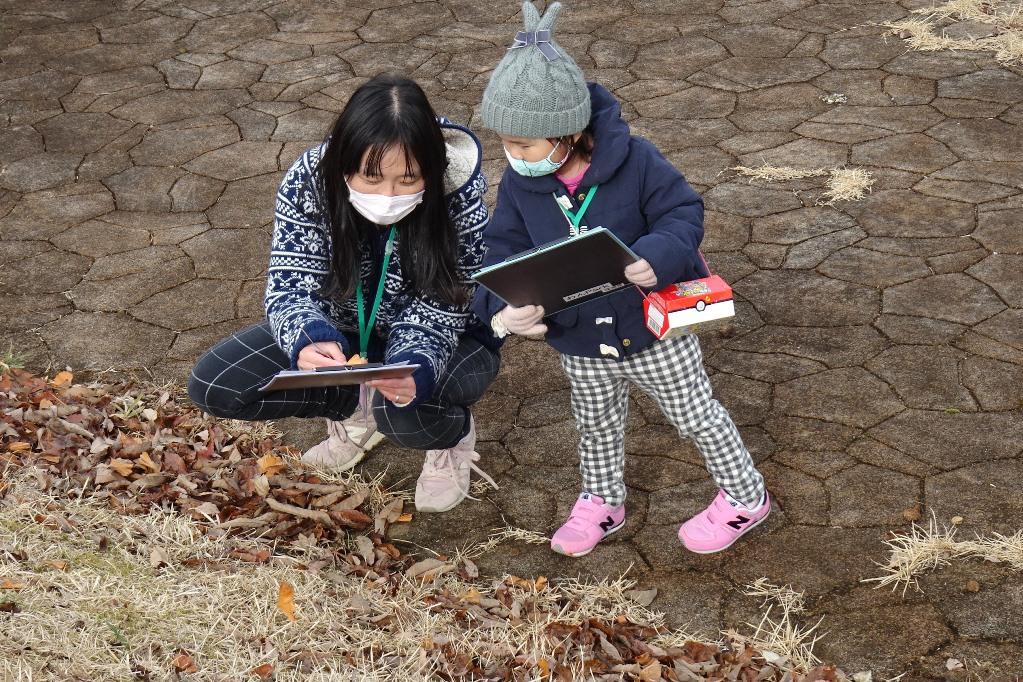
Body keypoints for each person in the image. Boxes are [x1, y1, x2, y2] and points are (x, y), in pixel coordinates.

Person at [473, 1, 771, 556]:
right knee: (595, 421)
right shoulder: (520, 184)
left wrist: (655, 256)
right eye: (506, 144)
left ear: (568, 132)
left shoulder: (637, 161)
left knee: (695, 414)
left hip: (653, 325)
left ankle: (745, 496)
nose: (513, 156)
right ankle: (602, 499)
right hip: (578, 334)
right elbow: (502, 246)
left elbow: (682, 213)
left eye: (525, 145)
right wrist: (509, 303)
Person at [189, 74, 500, 513]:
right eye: (371, 178)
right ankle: (356, 411)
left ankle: (450, 437)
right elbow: (289, 283)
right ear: (344, 162)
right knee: (215, 384)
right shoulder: (310, 180)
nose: (387, 195)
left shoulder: (457, 192)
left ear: (432, 170)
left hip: (448, 335)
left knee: (407, 413)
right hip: (346, 327)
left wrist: (412, 365)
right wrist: (310, 338)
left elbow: (451, 299)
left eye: (408, 179)